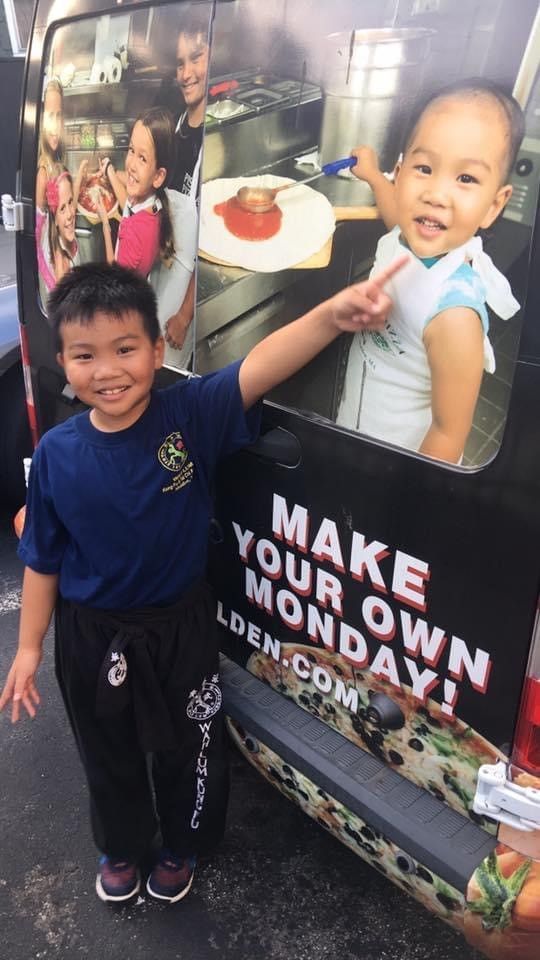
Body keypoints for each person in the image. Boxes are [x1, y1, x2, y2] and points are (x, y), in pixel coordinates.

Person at [0, 256, 405, 906]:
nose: (107, 370)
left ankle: (184, 845)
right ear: (65, 363)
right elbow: (43, 557)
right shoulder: (57, 453)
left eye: (125, 348)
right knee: (108, 753)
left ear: (158, 349)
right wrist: (27, 649)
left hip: (180, 631)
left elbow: (263, 363)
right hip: (90, 639)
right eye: (85, 356)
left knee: (193, 748)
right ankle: (123, 845)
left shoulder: (188, 415)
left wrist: (333, 315)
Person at [337, 79, 525, 464]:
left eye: (466, 178)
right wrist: (373, 175)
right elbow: (396, 215)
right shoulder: (405, 237)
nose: (436, 194)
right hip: (356, 433)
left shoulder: (453, 314)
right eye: (424, 168)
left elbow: (448, 434)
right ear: (400, 173)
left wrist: (403, 504)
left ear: (495, 204)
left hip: (395, 472)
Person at [163, 12, 211, 356]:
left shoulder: (215, 136)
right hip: (166, 278)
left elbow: (208, 242)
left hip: (187, 300)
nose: (186, 73)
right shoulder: (179, 125)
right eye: (180, 64)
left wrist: (184, 313)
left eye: (196, 58)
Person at [97, 107, 176, 278]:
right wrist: (110, 171)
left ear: (158, 176)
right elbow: (129, 200)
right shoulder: (155, 205)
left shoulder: (133, 233)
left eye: (143, 158)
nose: (131, 165)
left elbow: (114, 277)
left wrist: (105, 224)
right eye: (131, 150)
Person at [36, 78, 87, 292]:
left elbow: (61, 210)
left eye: (59, 116)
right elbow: (38, 241)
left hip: (62, 264)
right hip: (55, 278)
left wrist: (78, 182)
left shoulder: (55, 158)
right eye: (49, 116)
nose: (55, 126)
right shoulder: (42, 172)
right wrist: (53, 282)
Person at [45, 168, 80, 287]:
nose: (70, 214)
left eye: (70, 202)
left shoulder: (65, 232)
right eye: (62, 209)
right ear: (54, 219)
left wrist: (80, 172)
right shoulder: (63, 269)